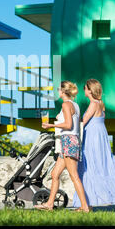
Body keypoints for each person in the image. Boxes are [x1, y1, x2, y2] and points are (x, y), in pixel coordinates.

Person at [73, 79, 115, 211]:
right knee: (103, 167)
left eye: (84, 88)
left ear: (89, 90)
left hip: (92, 139)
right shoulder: (100, 103)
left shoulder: (94, 104)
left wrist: (70, 118)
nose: (83, 90)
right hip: (99, 137)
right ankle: (95, 202)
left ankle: (87, 204)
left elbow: (84, 120)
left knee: (90, 167)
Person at [35, 81, 91, 212]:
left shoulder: (66, 104)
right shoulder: (74, 105)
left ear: (63, 91)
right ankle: (49, 204)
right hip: (70, 140)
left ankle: (85, 207)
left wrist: (51, 126)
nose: (57, 92)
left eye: (59, 90)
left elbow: (68, 125)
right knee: (55, 174)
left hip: (69, 140)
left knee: (74, 175)